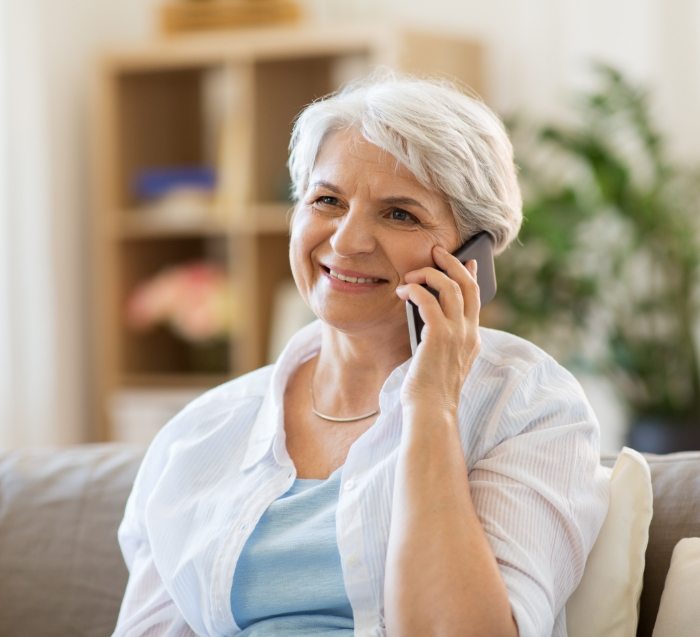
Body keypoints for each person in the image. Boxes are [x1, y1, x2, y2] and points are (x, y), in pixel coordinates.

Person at [113, 73, 609, 637]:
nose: (347, 241)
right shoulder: (200, 433)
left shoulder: (527, 405)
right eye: (327, 200)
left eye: (400, 214)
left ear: (473, 256)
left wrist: (431, 405)